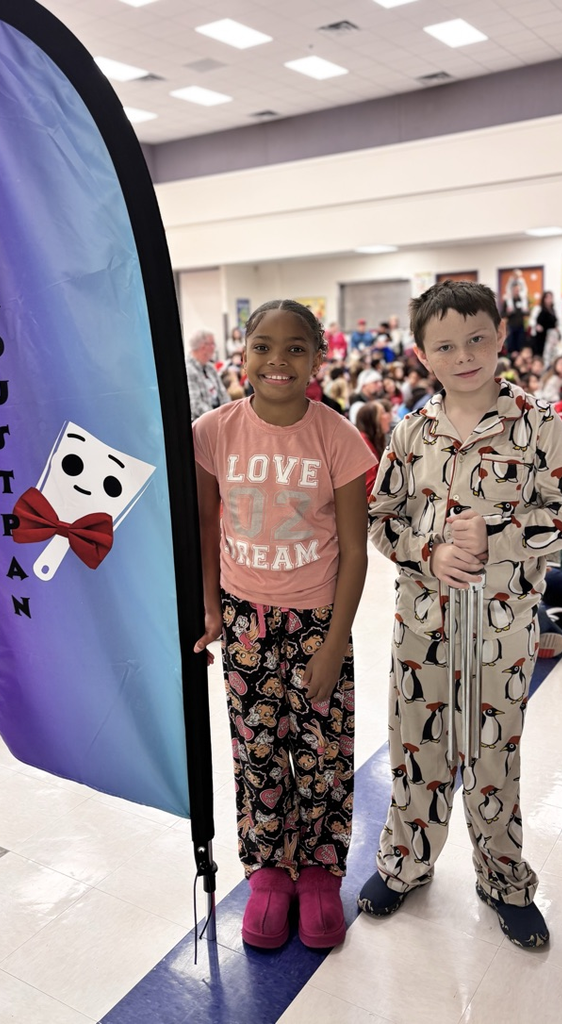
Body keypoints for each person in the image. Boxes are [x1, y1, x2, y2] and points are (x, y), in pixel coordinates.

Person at [357, 280, 562, 949]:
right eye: (444, 345)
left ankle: (502, 878)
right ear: (422, 355)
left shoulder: (537, 424)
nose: (463, 355)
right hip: (423, 631)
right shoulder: (409, 432)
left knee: (494, 755)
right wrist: (426, 554)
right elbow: (380, 519)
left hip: (501, 628)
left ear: (500, 337)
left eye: (476, 339)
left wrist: (501, 539)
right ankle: (404, 865)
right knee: (415, 749)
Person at [193, 298, 373, 951]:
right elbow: (205, 526)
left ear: (317, 358)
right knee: (257, 751)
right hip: (244, 616)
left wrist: (332, 643)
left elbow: (355, 551)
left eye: (295, 347)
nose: (277, 360)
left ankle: (321, 873)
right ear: (240, 354)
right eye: (262, 346)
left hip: (318, 618)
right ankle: (268, 869)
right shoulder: (211, 431)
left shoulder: (338, 438)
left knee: (322, 751)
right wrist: (211, 607)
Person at [185, 330, 231, 422]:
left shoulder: (210, 368)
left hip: (219, 418)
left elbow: (224, 395)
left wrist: (229, 413)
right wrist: (219, 418)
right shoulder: (188, 369)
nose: (214, 348)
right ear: (203, 347)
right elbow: (195, 405)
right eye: (213, 344)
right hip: (203, 423)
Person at [356, 400, 390, 498]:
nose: (388, 416)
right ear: (372, 420)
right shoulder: (363, 444)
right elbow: (370, 487)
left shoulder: (371, 441)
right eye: (383, 413)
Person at [531, 291, 558, 359]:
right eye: (547, 298)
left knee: (549, 353)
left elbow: (555, 322)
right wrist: (536, 325)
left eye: (550, 298)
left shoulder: (553, 310)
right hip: (540, 335)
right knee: (539, 352)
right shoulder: (538, 308)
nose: (549, 300)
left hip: (550, 335)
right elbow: (532, 320)